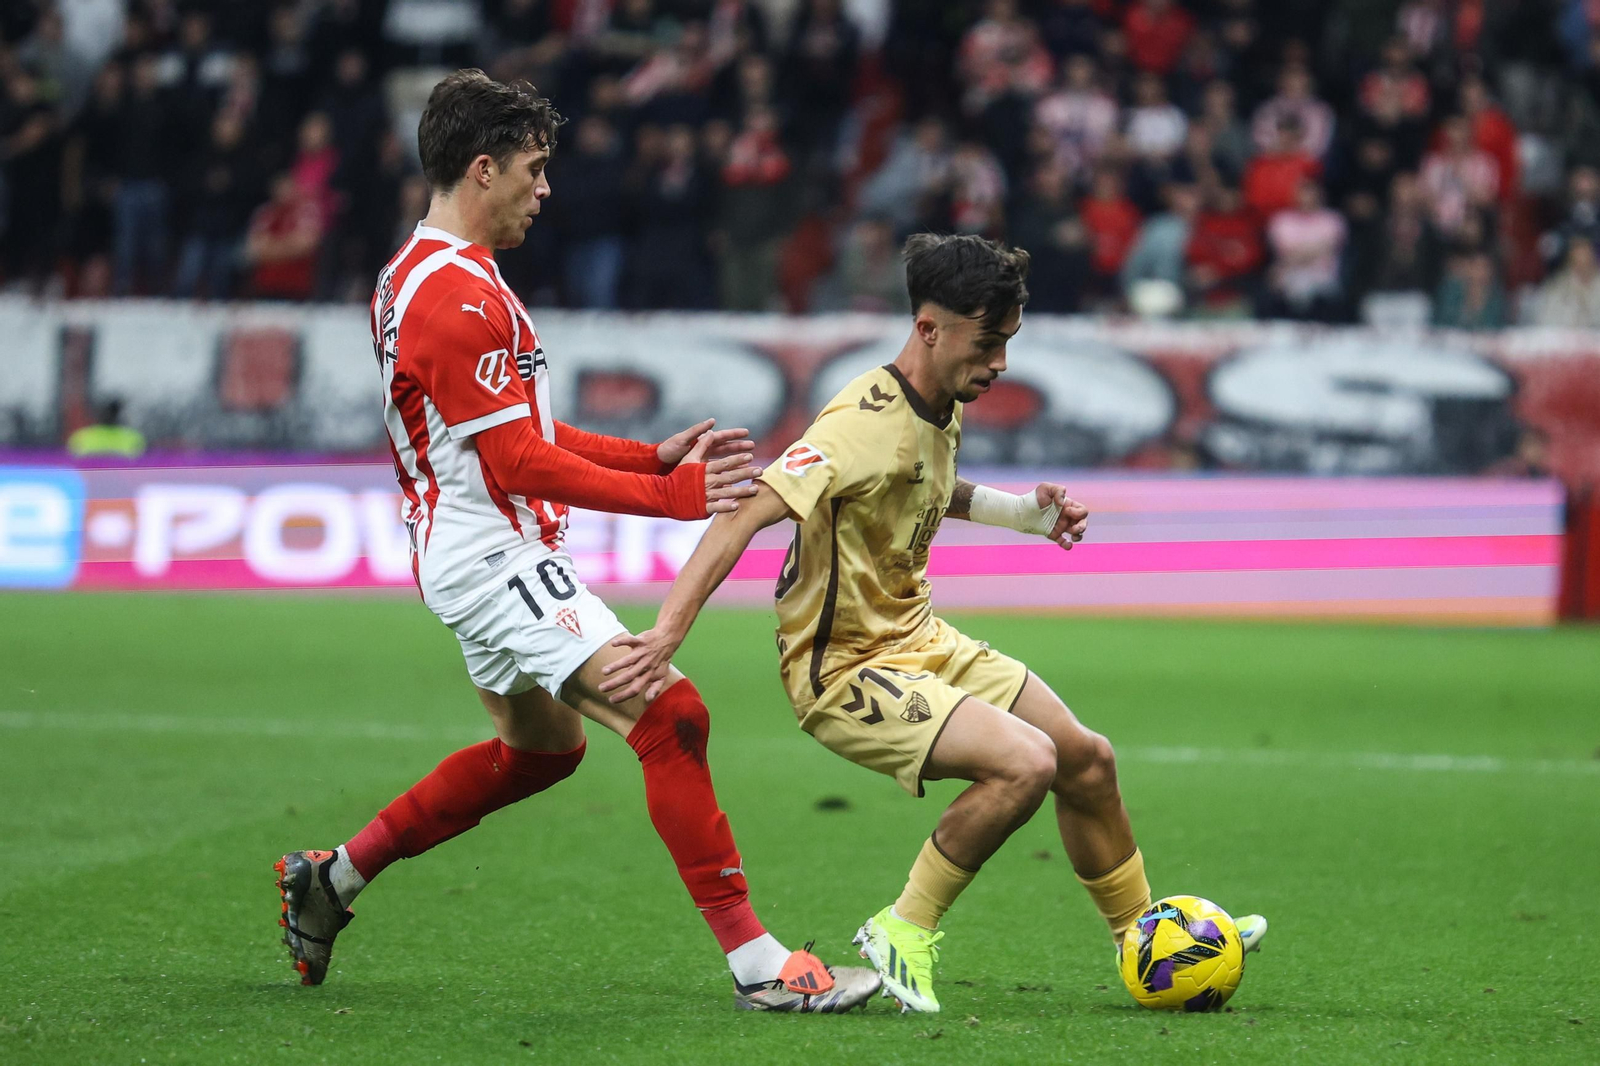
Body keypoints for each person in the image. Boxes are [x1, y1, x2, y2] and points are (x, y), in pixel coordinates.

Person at [274, 70, 879, 1014]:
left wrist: (646, 457)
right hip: (492, 556)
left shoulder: (425, 273)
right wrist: (671, 499)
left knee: (542, 751)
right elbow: (515, 459)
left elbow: (520, 429)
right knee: (670, 716)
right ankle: (760, 966)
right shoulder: (453, 296)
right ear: (483, 169)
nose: (546, 188)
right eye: (534, 168)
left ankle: (335, 876)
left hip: (471, 549)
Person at [599, 233, 1269, 1013]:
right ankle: (903, 926)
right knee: (1026, 763)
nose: (1001, 363)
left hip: (920, 640)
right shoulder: (858, 422)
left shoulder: (939, 403)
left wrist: (1023, 514)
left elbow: (922, 483)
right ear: (928, 329)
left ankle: (1146, 939)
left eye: (1008, 342)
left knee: (1087, 758)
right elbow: (746, 512)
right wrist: (668, 631)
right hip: (845, 669)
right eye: (987, 343)